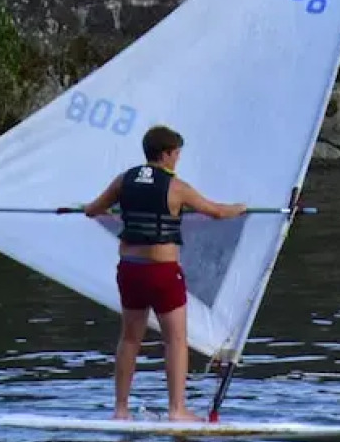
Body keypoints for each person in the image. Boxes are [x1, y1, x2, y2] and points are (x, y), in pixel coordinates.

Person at [83, 125, 246, 421]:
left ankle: (120, 410)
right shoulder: (176, 187)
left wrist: (118, 217)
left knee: (129, 339)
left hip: (130, 271)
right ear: (167, 154)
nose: (178, 159)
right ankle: (177, 410)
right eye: (177, 154)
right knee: (175, 340)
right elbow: (217, 212)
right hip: (162, 274)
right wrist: (240, 208)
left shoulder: (124, 180)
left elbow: (92, 210)